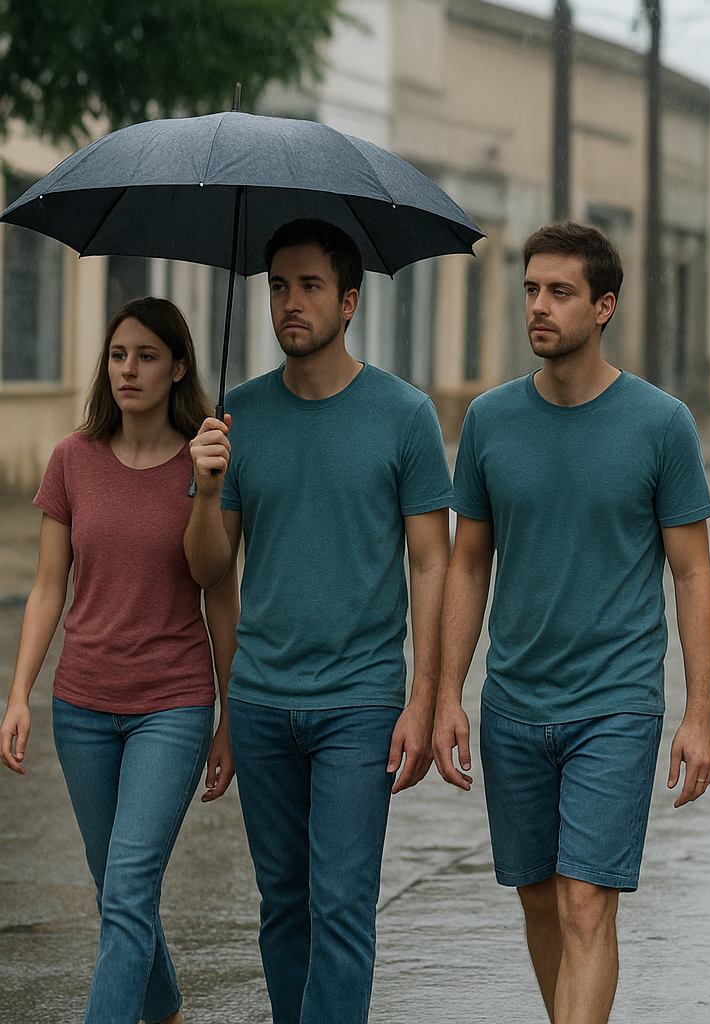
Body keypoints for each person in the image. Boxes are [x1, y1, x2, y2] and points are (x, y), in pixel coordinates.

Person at [433, 221, 710, 1024]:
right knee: (538, 900)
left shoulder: (662, 424)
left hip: (616, 702)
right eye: (531, 290)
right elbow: (466, 563)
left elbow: (692, 573)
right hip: (514, 702)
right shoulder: (490, 421)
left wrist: (698, 711)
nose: (540, 307)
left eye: (560, 292)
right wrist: (449, 692)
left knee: (585, 902)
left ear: (604, 307)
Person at [183, 219, 453, 1024]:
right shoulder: (236, 415)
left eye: (307, 287)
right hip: (262, 697)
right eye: (276, 287)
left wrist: (426, 696)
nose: (289, 304)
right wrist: (202, 490)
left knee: (341, 906)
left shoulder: (404, 415)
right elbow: (206, 568)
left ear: (349, 300)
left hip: (361, 700)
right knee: (284, 904)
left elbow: (433, 562)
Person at [2, 297, 237, 1024]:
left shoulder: (209, 459)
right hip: (81, 706)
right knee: (117, 891)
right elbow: (47, 589)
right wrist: (18, 696)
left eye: (146, 356)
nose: (128, 369)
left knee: (129, 889)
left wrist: (206, 491)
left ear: (178, 368)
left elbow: (213, 585)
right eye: (118, 355)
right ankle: (164, 1008)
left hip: (173, 704)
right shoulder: (73, 459)